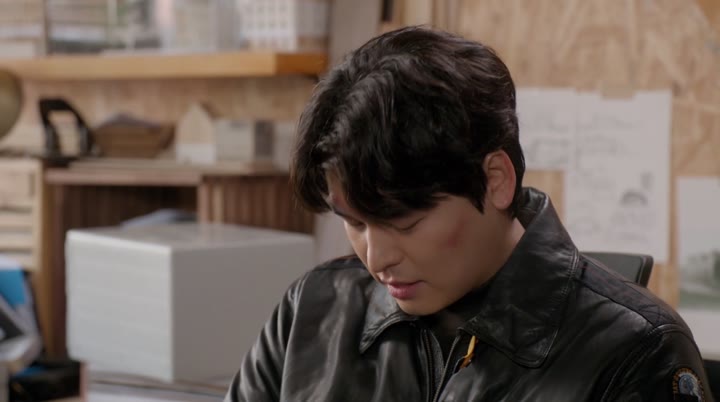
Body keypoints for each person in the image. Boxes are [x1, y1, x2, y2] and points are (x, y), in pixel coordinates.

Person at [225, 26, 712, 402]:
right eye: (354, 222)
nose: (376, 258)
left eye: (405, 223)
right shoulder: (311, 312)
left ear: (495, 179)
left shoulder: (637, 351)